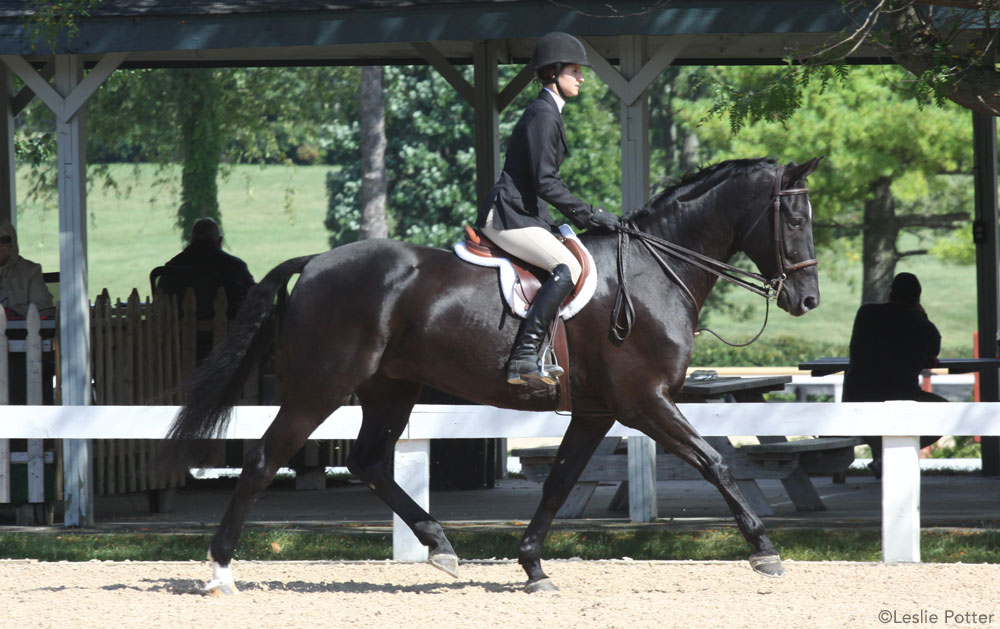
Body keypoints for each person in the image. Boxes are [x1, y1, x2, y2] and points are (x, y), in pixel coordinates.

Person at [476, 32, 620, 385]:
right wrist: (588, 214)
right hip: (509, 215)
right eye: (575, 70)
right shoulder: (543, 114)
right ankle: (524, 356)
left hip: (526, 214)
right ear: (553, 72)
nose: (582, 78)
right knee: (567, 265)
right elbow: (545, 182)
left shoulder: (549, 112)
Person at [843, 272, 944, 477]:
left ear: (891, 294)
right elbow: (933, 349)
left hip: (856, 399)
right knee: (945, 413)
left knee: (876, 395)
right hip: (902, 399)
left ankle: (882, 453)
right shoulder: (923, 326)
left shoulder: (866, 313)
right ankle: (892, 451)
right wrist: (921, 314)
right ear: (917, 299)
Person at [155, 217, 255, 321]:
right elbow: (254, 297)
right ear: (220, 240)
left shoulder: (171, 268)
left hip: (177, 335)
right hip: (223, 334)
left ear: (191, 239)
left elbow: (160, 303)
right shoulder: (235, 266)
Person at [0, 220, 54, 319]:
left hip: (22, 333)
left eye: (4, 240)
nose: (0, 245)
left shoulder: (30, 271)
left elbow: (45, 309)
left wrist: (13, 313)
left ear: (12, 243)